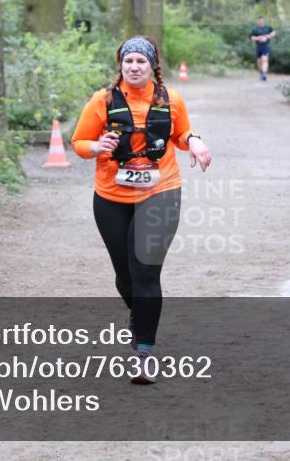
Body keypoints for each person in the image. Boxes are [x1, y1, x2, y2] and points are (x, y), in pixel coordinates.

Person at [71, 36, 212, 384]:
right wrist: (96, 146)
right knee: (126, 276)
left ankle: (145, 354)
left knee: (146, 272)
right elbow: (78, 143)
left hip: (160, 192)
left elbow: (180, 133)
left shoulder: (171, 99)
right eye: (128, 61)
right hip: (111, 196)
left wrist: (193, 141)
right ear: (120, 65)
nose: (134, 67)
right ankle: (140, 316)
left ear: (152, 66)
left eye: (141, 62)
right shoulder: (101, 101)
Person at [249, 15, 276, 81]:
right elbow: (251, 37)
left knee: (265, 59)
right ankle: (261, 72)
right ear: (257, 21)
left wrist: (269, 36)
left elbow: (274, 32)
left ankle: (264, 74)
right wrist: (258, 38)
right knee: (259, 62)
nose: (260, 21)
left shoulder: (268, 27)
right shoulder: (255, 29)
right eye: (259, 20)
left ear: (263, 21)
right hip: (258, 46)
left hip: (266, 46)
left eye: (262, 20)